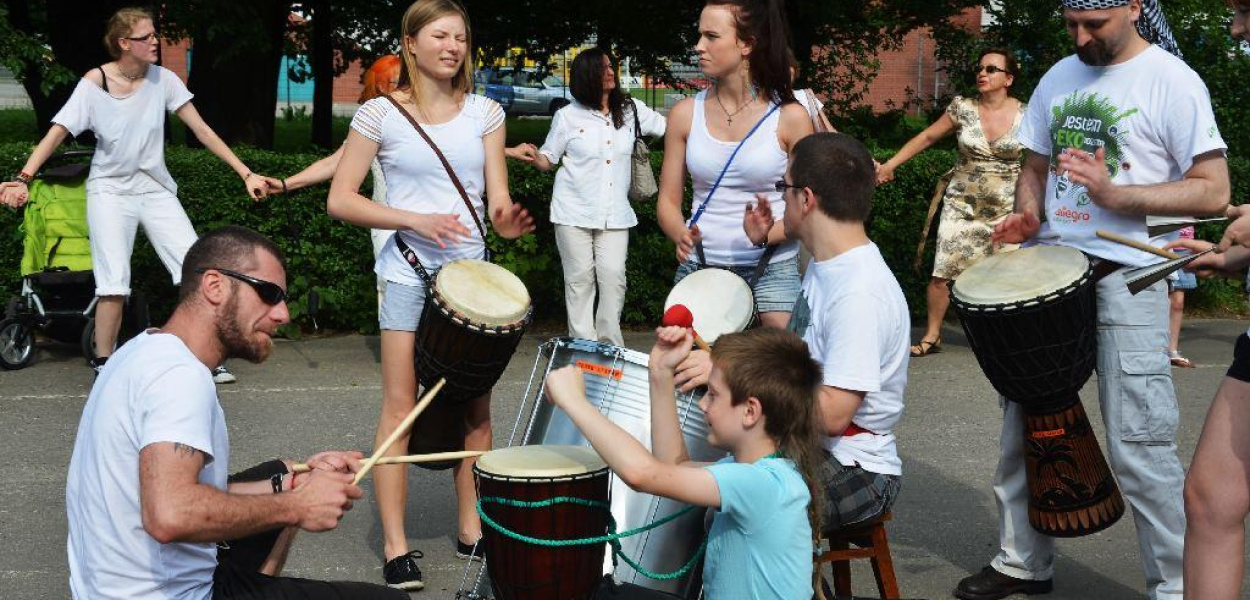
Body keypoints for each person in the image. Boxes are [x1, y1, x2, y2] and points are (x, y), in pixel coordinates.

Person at [970, 1, 1230, 598]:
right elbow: (1035, 163)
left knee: (1139, 441)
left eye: (1095, 24)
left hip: (1131, 272)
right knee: (1025, 428)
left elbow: (1214, 190)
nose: (1081, 37)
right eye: (1071, 24)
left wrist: (1118, 193)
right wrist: (1027, 215)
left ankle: (1177, 585)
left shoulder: (1173, 80)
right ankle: (1021, 563)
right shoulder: (1059, 75)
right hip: (1053, 273)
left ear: (1134, 8)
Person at [64, 225, 403, 600]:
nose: (283, 314)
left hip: (105, 590)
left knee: (283, 473)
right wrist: (296, 506)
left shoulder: (139, 350)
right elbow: (170, 514)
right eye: (269, 294)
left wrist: (290, 488)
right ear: (214, 286)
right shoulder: (180, 377)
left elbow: (166, 489)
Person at [325, 0, 534, 589]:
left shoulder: (486, 114)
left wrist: (507, 221)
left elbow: (495, 198)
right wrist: (411, 219)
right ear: (410, 43)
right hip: (407, 274)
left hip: (471, 282)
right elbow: (342, 199)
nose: (452, 46)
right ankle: (395, 545)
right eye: (440, 36)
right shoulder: (379, 115)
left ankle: (471, 526)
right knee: (400, 409)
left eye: (461, 37)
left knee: (476, 411)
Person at [0, 8, 278, 383]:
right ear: (124, 43)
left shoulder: (163, 80)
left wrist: (246, 172)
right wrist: (23, 178)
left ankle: (205, 357)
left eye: (155, 35)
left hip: (154, 189)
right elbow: (58, 131)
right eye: (147, 37)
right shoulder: (95, 82)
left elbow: (204, 131)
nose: (155, 42)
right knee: (113, 280)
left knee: (196, 268)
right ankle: (103, 362)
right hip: (109, 190)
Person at [543, 326, 824, 600]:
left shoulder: (763, 485)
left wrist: (575, 401)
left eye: (713, 394)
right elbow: (673, 466)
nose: (703, 404)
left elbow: (642, 474)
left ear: (750, 411)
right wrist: (660, 374)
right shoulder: (753, 472)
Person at [743, 132, 909, 532]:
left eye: (784, 187)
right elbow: (798, 347)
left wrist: (738, 385)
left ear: (807, 198)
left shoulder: (858, 290)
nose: (782, 197)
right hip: (820, 447)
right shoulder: (828, 263)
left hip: (857, 467)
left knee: (731, 501)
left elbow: (833, 413)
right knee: (709, 471)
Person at [656, 0, 814, 331]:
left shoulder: (791, 117)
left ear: (747, 44)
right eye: (699, 35)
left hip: (773, 267)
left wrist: (767, 234)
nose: (699, 47)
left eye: (711, 36)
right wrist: (679, 233)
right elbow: (668, 202)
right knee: (687, 375)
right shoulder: (685, 113)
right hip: (700, 268)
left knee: (776, 375)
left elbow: (808, 208)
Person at [507, 48, 666, 346]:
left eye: (611, 67)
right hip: (572, 211)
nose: (610, 72)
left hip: (615, 213)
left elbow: (671, 128)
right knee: (579, 281)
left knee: (614, 279)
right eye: (603, 68)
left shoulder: (631, 109)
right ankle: (583, 348)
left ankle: (609, 346)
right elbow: (549, 158)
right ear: (587, 75)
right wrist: (527, 154)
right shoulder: (567, 116)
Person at [876, 48, 1026, 358]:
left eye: (991, 69)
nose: (982, 73)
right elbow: (927, 137)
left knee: (1006, 274)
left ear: (1008, 79)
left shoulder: (1027, 113)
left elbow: (1042, 159)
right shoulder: (963, 107)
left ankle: (1006, 337)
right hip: (962, 204)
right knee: (943, 270)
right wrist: (891, 165)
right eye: (980, 68)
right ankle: (933, 335)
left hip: (1007, 207)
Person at [265, 55, 402, 308]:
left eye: (408, 81)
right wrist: (286, 183)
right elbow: (333, 162)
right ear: (381, 86)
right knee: (390, 291)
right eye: (397, 82)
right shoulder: (372, 121)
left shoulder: (427, 119)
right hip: (386, 224)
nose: (405, 87)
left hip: (426, 220)